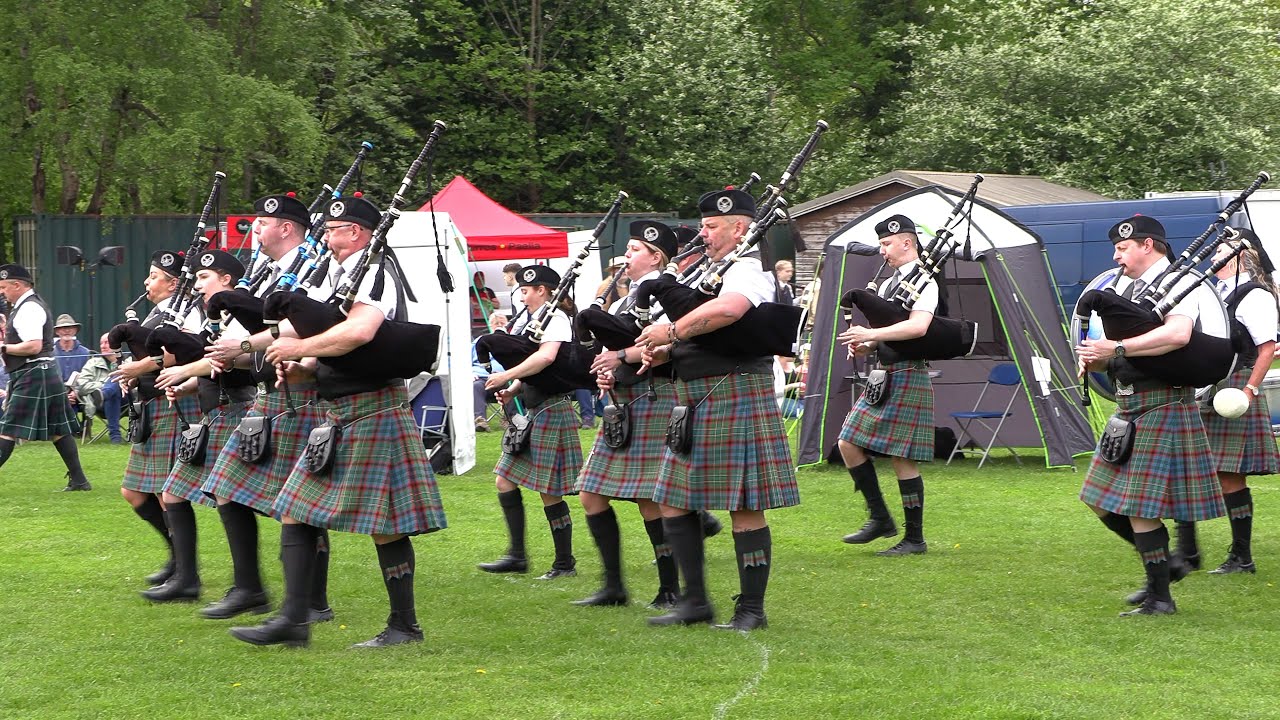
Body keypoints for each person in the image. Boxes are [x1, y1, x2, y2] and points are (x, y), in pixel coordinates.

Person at [231, 195, 446, 648]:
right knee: (295, 510)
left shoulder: (374, 270)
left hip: (375, 406)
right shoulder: (337, 273)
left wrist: (297, 351)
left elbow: (359, 332)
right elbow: (316, 331)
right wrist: (298, 361)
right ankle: (295, 619)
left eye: (333, 230)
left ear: (357, 232)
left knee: (386, 524)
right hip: (338, 410)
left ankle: (404, 626)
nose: (325, 238)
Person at [634, 189, 800, 631]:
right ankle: (695, 602)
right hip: (696, 397)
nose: (702, 234)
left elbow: (729, 312)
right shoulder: (715, 269)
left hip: (735, 391)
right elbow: (703, 334)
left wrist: (669, 329)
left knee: (744, 505)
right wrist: (665, 351)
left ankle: (751, 609)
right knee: (672, 500)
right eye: (704, 226)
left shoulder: (751, 268)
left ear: (739, 228)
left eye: (710, 227)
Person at [1075, 214, 1226, 616]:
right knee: (1097, 500)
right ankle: (1167, 566)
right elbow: (1121, 348)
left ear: (1147, 245)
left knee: (1142, 510)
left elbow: (1177, 335)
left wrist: (1116, 349)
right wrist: (1097, 359)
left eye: (1123, 248)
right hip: (1129, 407)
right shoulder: (1124, 288)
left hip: (1162, 404)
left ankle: (1160, 596)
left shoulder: (1178, 282)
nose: (1116, 255)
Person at [201, 196, 335, 623]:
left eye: (263, 222)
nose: (255, 228)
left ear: (288, 228)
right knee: (225, 486)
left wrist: (243, 345)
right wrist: (231, 355)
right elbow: (259, 337)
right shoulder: (272, 273)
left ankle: (313, 602)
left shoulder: (314, 269)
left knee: (306, 502)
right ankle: (250, 589)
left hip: (303, 392)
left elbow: (304, 328)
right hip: (268, 394)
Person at [574, 221, 683, 609]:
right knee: (590, 494)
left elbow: (667, 339)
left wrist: (619, 357)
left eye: (635, 249)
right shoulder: (623, 301)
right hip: (622, 404)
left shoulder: (667, 293)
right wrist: (608, 370)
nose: (627, 256)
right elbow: (615, 346)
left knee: (649, 499)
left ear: (655, 255)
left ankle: (669, 587)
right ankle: (614, 586)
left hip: (655, 396)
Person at [142, 250, 257, 604]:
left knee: (282, 510)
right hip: (215, 411)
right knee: (174, 492)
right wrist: (187, 384)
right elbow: (213, 367)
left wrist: (183, 372)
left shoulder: (239, 314)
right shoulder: (216, 317)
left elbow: (226, 359)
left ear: (226, 280)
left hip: (238, 409)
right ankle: (187, 580)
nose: (197, 283)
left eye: (204, 277)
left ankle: (254, 589)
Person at [1172, 229, 1280, 576]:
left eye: (1222, 249)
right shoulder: (1214, 291)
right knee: (1184, 466)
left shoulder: (1255, 295)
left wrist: (1248, 391)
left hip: (1233, 389)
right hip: (1203, 387)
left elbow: (1266, 349)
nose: (1215, 254)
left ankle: (1241, 557)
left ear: (1240, 256)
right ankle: (1188, 551)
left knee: (1230, 476)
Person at [836, 215, 938, 556]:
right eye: (880, 244)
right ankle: (880, 517)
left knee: (902, 458)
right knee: (848, 443)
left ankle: (914, 539)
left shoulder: (927, 282)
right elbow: (889, 332)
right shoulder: (891, 284)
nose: (882, 251)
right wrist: (866, 345)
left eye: (886, 244)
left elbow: (919, 327)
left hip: (909, 373)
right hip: (885, 374)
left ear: (906, 242)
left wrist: (872, 334)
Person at [478, 264, 582, 581]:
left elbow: (546, 359)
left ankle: (565, 564)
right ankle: (517, 556)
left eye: (526, 290)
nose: (522, 296)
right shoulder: (534, 321)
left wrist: (506, 375)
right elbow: (531, 365)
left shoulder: (558, 319)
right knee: (504, 480)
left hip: (554, 410)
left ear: (542, 290)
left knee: (549, 491)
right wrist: (513, 389)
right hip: (535, 410)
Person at [110, 250, 205, 587]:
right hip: (150, 404)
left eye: (153, 277)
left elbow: (184, 352)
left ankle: (186, 573)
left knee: (168, 493)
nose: (147, 282)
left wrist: (141, 367)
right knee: (134, 492)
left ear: (174, 283)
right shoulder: (157, 313)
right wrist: (134, 376)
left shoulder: (189, 313)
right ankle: (177, 559)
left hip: (175, 402)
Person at [0, 264, 92, 492]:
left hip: (34, 372)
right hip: (41, 372)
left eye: (3, 287)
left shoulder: (29, 309)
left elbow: (33, 346)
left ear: (17, 285)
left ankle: (80, 480)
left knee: (8, 428)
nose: (2, 292)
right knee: (58, 429)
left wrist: (3, 347)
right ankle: (80, 481)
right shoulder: (26, 305)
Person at [68, 333, 125, 443]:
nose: (103, 346)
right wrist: (104, 385)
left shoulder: (128, 362)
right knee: (113, 391)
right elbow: (81, 385)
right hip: (98, 403)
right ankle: (115, 437)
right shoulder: (92, 363)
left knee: (118, 375)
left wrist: (106, 386)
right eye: (101, 343)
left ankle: (104, 393)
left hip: (125, 402)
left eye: (106, 342)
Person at [473, 311, 508, 432]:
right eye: (495, 323)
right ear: (489, 325)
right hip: (483, 379)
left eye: (502, 323)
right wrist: (470, 373)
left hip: (506, 377)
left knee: (514, 385)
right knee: (475, 386)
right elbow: (465, 361)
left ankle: (509, 419)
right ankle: (480, 420)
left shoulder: (513, 340)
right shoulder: (479, 341)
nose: (498, 325)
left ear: (507, 324)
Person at [52, 314, 91, 384]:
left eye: (70, 328)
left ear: (75, 331)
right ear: (57, 331)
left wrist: (76, 391)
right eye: (63, 328)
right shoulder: (50, 354)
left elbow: (89, 378)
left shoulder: (86, 353)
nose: (67, 330)